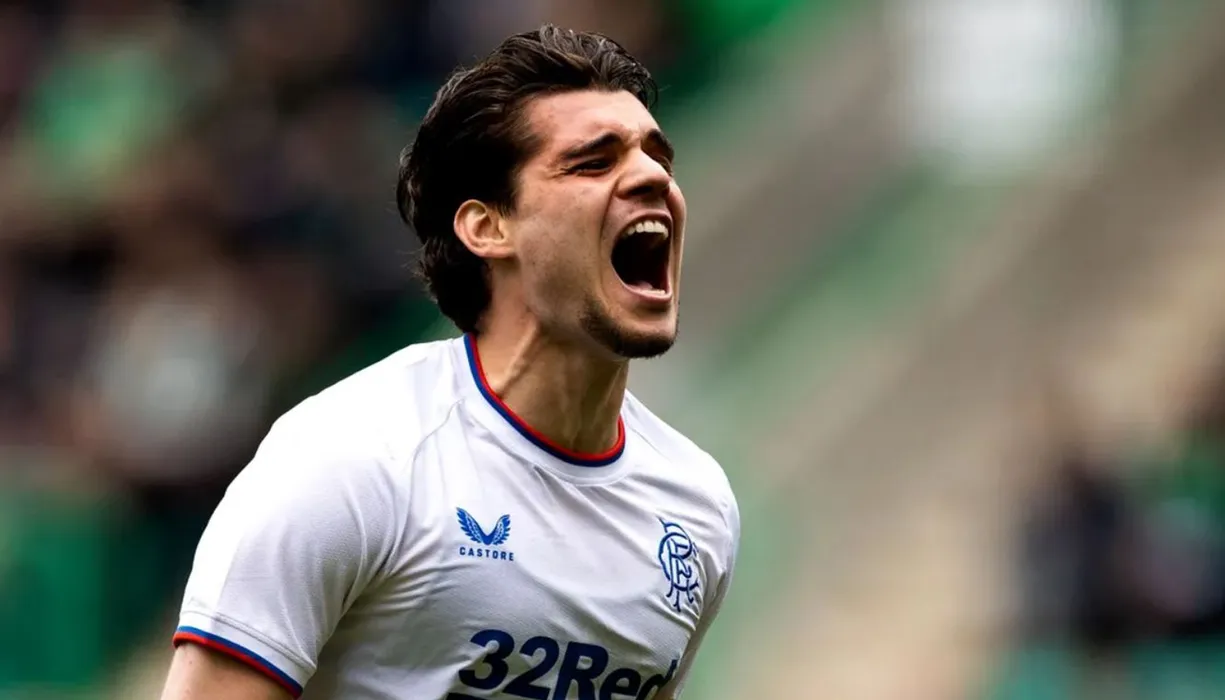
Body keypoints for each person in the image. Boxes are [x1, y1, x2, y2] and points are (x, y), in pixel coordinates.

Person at [159, 25, 739, 700]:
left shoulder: (697, 508)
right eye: (592, 162)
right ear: (487, 227)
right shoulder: (353, 458)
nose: (652, 177)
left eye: (657, 158)